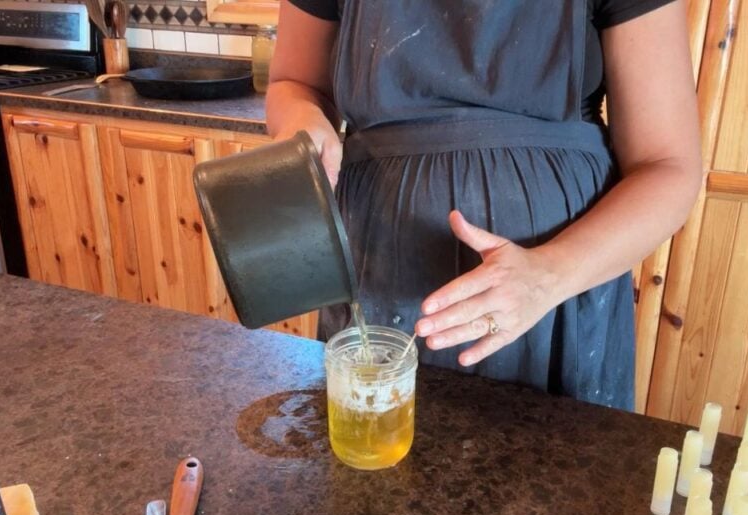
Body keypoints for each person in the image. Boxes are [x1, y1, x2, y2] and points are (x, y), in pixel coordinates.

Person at [266, 0, 701, 411]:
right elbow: (294, 85)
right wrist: (301, 119)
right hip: (375, 278)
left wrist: (547, 276)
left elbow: (667, 166)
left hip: (552, 307)